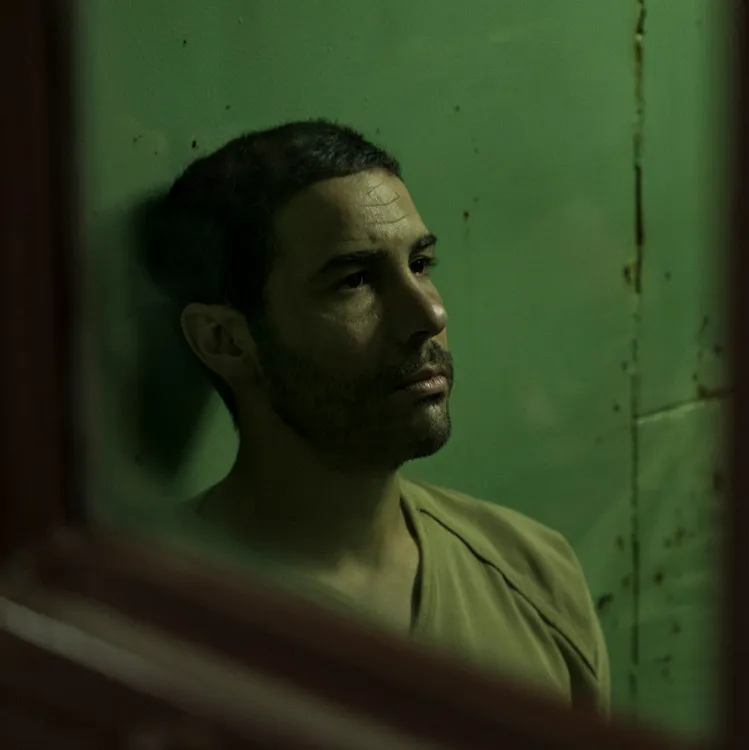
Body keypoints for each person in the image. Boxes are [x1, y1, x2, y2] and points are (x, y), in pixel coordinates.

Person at [143, 119, 610, 713]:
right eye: (355, 280)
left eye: (421, 263)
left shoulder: (535, 573)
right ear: (226, 341)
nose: (429, 314)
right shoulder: (148, 620)